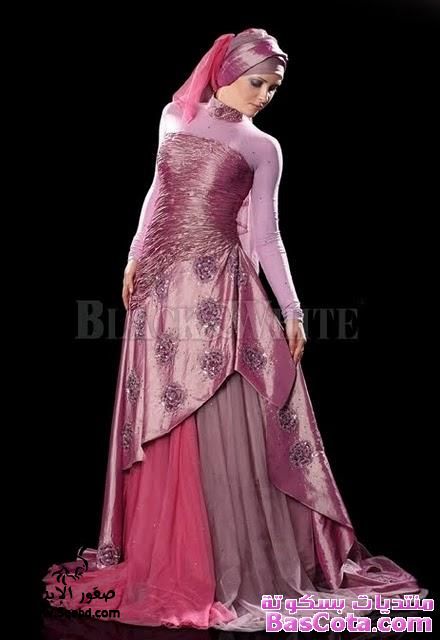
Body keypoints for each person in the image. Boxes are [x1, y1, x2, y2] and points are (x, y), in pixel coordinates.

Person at [42, 28, 427, 632]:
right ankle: (170, 558)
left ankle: (227, 563)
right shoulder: (174, 117)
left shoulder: (263, 147)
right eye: (258, 82)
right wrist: (134, 254)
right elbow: (157, 190)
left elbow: (268, 236)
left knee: (225, 415)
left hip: (220, 287)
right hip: (161, 288)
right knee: (167, 418)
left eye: (274, 87)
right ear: (225, 73)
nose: (266, 95)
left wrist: (293, 311)